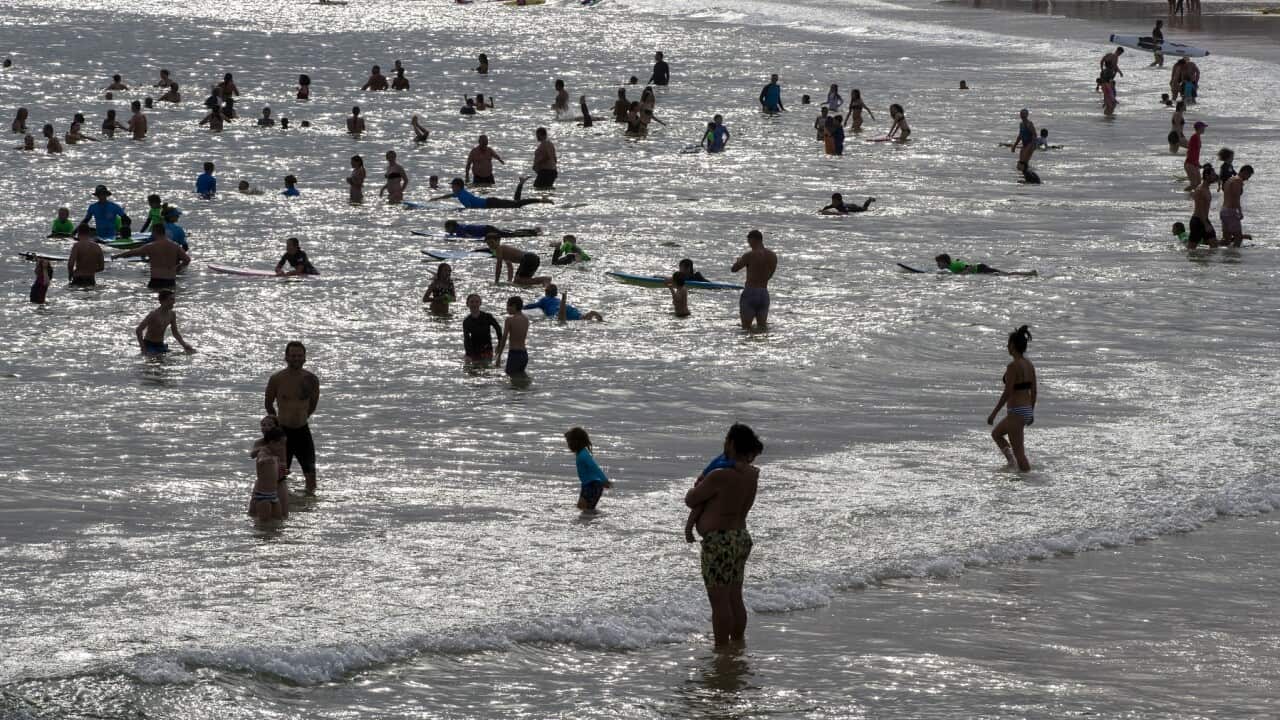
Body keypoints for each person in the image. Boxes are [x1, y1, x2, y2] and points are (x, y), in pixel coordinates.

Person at [684, 423, 762, 648]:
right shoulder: (751, 475)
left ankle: (721, 651)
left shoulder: (719, 475)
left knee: (719, 602)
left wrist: (696, 485)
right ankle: (737, 644)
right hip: (740, 537)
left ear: (731, 443)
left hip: (719, 541)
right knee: (735, 597)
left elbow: (691, 499)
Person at [264, 342, 320, 494]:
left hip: (302, 431)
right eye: (293, 355)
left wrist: (301, 417)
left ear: (305, 358)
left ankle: (308, 505)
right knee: (279, 475)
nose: (296, 358)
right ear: (286, 357)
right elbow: (268, 404)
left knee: (310, 474)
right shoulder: (277, 379)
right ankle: (280, 508)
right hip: (283, 433)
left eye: (300, 356)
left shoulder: (311, 380)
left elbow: (312, 405)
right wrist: (275, 426)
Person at [988, 325, 1036, 472]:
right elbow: (1034, 391)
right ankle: (1012, 463)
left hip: (1016, 411)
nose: (1007, 346)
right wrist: (1031, 412)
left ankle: (1029, 481)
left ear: (1013, 345)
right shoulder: (1029, 364)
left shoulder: (1013, 366)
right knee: (996, 434)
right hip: (1025, 409)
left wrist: (994, 413)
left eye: (1008, 344)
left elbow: (1007, 392)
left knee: (1020, 453)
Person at [113, 225, 191, 289]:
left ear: (154, 233)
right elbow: (187, 260)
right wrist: (178, 267)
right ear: (164, 233)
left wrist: (118, 255)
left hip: (156, 280)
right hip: (170, 280)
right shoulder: (175, 246)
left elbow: (133, 252)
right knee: (168, 300)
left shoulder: (151, 246)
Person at [731, 230, 777, 332]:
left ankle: (747, 347)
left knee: (746, 328)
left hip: (750, 292)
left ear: (753, 239)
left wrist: (738, 261)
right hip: (764, 293)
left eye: (749, 241)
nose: (748, 243)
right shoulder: (773, 256)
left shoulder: (749, 255)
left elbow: (734, 269)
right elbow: (770, 275)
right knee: (762, 327)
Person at [248, 415, 290, 521]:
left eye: (270, 425)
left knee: (283, 516)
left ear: (276, 427)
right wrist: (266, 449)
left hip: (279, 481)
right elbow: (253, 455)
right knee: (253, 513)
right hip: (263, 483)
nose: (266, 427)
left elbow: (284, 463)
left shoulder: (280, 443)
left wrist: (283, 469)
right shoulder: (261, 444)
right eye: (263, 425)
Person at [431, 176, 552, 210]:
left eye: (453, 186)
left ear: (458, 186)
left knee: (517, 204)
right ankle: (520, 184)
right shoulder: (460, 192)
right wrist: (436, 199)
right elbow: (448, 195)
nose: (452, 188)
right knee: (515, 205)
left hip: (491, 204)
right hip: (490, 202)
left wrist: (459, 210)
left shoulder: (461, 195)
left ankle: (541, 200)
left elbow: (469, 207)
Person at [135, 289, 196, 355]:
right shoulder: (153, 314)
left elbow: (175, 333)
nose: (174, 302)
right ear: (162, 301)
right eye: (171, 299)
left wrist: (185, 345)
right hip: (149, 345)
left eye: (174, 299)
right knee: (157, 363)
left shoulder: (172, 314)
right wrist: (143, 348)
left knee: (191, 353)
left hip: (160, 344)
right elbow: (139, 330)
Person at [565, 427, 611, 512]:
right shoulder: (581, 453)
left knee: (583, 509)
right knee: (587, 511)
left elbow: (594, 467)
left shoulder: (583, 455)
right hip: (590, 485)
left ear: (577, 442)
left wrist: (604, 480)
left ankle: (592, 523)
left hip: (592, 485)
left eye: (569, 442)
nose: (568, 445)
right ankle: (594, 523)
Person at [486, 234, 552, 287]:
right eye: (488, 243)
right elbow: (509, 266)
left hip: (528, 258)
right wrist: (509, 280)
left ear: (498, 241)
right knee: (523, 282)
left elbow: (499, 265)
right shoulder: (503, 249)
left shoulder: (499, 248)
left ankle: (544, 279)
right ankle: (545, 283)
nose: (490, 245)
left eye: (492, 242)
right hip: (533, 258)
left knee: (518, 281)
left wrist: (496, 281)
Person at [493, 296, 531, 376]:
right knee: (520, 378)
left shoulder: (509, 319)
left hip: (514, 354)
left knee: (511, 380)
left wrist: (499, 356)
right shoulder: (526, 319)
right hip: (524, 355)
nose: (507, 308)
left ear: (514, 306)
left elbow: (504, 338)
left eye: (508, 306)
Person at [524, 284, 604, 321]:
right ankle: (591, 313)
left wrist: (521, 307)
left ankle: (563, 302)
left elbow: (532, 306)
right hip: (570, 308)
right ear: (555, 293)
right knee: (582, 318)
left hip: (559, 310)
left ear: (546, 292)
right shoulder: (556, 300)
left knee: (561, 320)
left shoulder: (544, 300)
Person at [462, 294, 503, 363]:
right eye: (472, 302)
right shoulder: (466, 321)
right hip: (473, 349)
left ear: (480, 303)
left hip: (487, 348)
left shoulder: (487, 317)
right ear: (467, 304)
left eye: (477, 302)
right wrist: (468, 354)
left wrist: (499, 344)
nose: (474, 304)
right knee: (472, 371)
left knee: (486, 369)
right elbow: (466, 339)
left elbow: (498, 328)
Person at [1220, 165, 1254, 247]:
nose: (1248, 179)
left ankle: (1223, 255)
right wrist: (1239, 212)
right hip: (1231, 211)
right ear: (1245, 172)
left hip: (1224, 211)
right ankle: (1234, 258)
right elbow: (1236, 198)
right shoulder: (1238, 181)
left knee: (1226, 239)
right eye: (1248, 176)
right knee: (1238, 237)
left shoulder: (1230, 179)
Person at [1188, 163, 1218, 249]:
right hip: (1198, 221)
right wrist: (1206, 224)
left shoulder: (1206, 188)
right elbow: (1200, 209)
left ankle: (1206, 261)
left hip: (1204, 220)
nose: (1215, 177)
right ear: (1207, 175)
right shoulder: (1201, 190)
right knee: (1191, 249)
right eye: (1213, 175)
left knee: (1214, 245)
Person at [933, 253, 1036, 276]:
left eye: (939, 262)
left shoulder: (954, 266)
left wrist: (962, 274)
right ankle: (1029, 273)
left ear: (945, 262)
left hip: (981, 269)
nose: (938, 265)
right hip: (980, 267)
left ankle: (1030, 274)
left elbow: (969, 267)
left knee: (1008, 275)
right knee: (1007, 274)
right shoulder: (952, 265)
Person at [444, 220, 541, 238]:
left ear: (451, 227)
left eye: (447, 228)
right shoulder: (459, 227)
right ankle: (532, 231)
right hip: (487, 228)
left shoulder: (459, 230)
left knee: (510, 235)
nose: (446, 230)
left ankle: (533, 233)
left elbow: (467, 236)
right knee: (510, 233)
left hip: (487, 231)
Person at [1185, 121, 1205, 191]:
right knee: (1194, 184)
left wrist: (1198, 164)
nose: (1204, 129)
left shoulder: (1198, 137)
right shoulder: (1194, 137)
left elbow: (1196, 153)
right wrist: (1194, 163)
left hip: (1194, 163)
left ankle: (1192, 197)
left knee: (1199, 183)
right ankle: (1183, 194)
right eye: (1203, 127)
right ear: (1199, 128)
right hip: (1190, 163)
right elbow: (1190, 152)